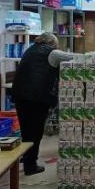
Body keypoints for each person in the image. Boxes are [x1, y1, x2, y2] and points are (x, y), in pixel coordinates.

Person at [12, 33, 79, 175]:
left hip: (20, 96)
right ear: (52, 43)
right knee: (35, 132)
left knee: (26, 130)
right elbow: (75, 58)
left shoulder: (30, 50)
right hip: (37, 98)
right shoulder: (52, 53)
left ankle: (26, 157)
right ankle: (30, 166)